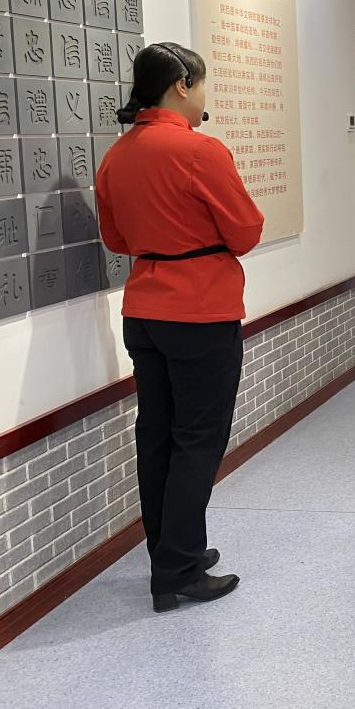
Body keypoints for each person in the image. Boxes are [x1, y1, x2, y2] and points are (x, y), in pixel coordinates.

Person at [95, 42, 264, 612]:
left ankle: (169, 553)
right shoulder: (199, 150)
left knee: (157, 436)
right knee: (198, 440)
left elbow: (116, 239)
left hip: (144, 309)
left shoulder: (118, 154)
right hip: (200, 309)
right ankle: (179, 569)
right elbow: (245, 232)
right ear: (182, 85)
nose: (205, 96)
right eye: (204, 84)